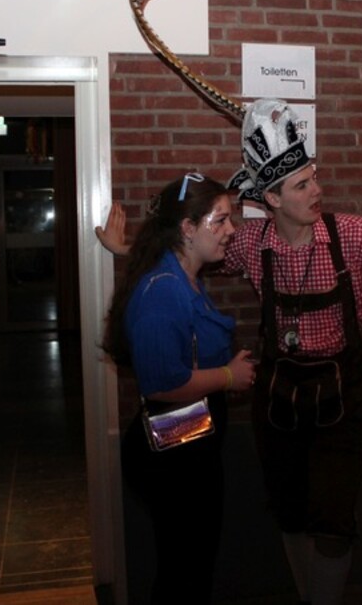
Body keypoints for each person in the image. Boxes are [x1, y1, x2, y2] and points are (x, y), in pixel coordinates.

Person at [98, 99, 362, 605]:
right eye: (302, 185)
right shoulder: (249, 243)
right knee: (291, 515)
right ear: (272, 198)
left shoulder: (353, 235)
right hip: (277, 401)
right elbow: (184, 249)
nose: (318, 190)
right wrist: (125, 249)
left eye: (314, 178)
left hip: (341, 401)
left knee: (334, 525)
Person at [99, 172, 256, 604]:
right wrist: (229, 376)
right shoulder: (163, 293)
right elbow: (163, 384)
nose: (230, 230)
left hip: (191, 442)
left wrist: (122, 249)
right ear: (188, 228)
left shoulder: (182, 274)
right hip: (172, 455)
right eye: (220, 221)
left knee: (193, 562)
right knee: (183, 569)